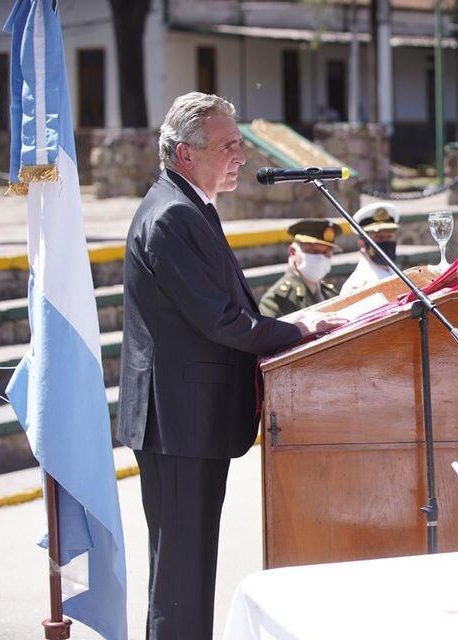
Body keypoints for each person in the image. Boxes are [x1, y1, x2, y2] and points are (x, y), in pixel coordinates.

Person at [117, 92, 346, 639]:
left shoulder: (189, 205)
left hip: (188, 419)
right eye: (227, 146)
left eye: (239, 144)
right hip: (176, 422)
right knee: (180, 574)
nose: (240, 156)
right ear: (184, 154)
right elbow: (221, 319)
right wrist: (297, 331)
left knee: (187, 570)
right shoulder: (172, 215)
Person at [259, 218, 342, 318]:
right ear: (293, 252)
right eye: (313, 251)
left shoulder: (330, 293)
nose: (320, 258)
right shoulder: (276, 301)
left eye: (325, 252)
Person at [340, 202, 400, 294]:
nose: (385, 242)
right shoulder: (355, 288)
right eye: (379, 238)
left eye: (389, 237)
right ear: (361, 244)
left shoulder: (400, 275)